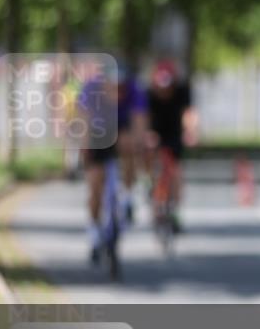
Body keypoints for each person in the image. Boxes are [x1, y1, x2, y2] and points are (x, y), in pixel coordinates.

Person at [78, 63, 148, 262]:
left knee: (129, 145)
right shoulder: (91, 91)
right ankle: (93, 232)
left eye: (121, 88)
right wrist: (84, 150)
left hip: (122, 129)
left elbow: (139, 123)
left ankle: (127, 197)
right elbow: (83, 122)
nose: (117, 92)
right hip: (97, 133)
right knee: (94, 186)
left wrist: (139, 144)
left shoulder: (134, 91)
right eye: (112, 87)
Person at [146, 59, 196, 232]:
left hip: (174, 133)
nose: (164, 89)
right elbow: (143, 119)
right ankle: (153, 195)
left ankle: (174, 209)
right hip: (155, 132)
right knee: (154, 166)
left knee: (176, 172)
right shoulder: (149, 95)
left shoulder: (182, 92)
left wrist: (190, 132)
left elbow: (188, 114)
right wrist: (147, 134)